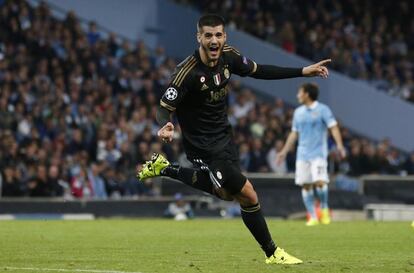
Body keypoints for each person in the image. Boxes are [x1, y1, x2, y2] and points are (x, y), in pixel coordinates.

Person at [138, 14, 331, 265]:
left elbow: (259, 70)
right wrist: (165, 124)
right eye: (208, 35)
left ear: (224, 36)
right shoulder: (186, 72)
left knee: (227, 194)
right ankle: (272, 252)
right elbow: (164, 106)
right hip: (202, 146)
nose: (214, 40)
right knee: (249, 194)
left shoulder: (229, 56)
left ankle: (165, 168)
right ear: (199, 37)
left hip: (224, 138)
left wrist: (302, 71)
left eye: (218, 35)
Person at [277, 83, 346, 226]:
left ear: (307, 94)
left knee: (320, 182)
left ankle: (324, 208)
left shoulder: (323, 110)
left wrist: (339, 145)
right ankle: (313, 217)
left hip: (318, 154)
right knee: (306, 185)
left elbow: (333, 128)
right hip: (302, 154)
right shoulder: (298, 112)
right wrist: (283, 151)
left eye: (299, 92)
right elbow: (294, 133)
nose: (297, 95)